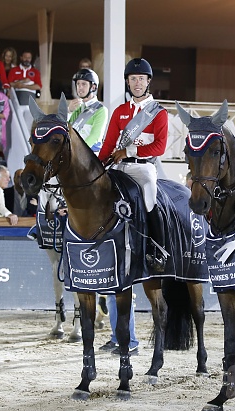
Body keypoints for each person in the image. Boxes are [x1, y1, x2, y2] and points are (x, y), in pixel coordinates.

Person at [98, 57, 169, 273]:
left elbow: (160, 147)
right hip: (119, 167)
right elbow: (109, 145)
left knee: (149, 197)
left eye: (141, 78)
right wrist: (97, 167)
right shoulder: (119, 112)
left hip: (144, 168)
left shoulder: (159, 112)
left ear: (148, 82)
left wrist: (130, 151)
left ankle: (157, 248)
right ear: (127, 82)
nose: (137, 83)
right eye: (133, 79)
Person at [68, 68, 108, 153]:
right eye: (78, 84)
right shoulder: (77, 108)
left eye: (84, 84)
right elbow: (66, 130)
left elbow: (95, 136)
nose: (80, 87)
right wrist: (69, 111)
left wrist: (77, 151)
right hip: (74, 156)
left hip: (91, 155)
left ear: (93, 87)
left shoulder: (101, 110)